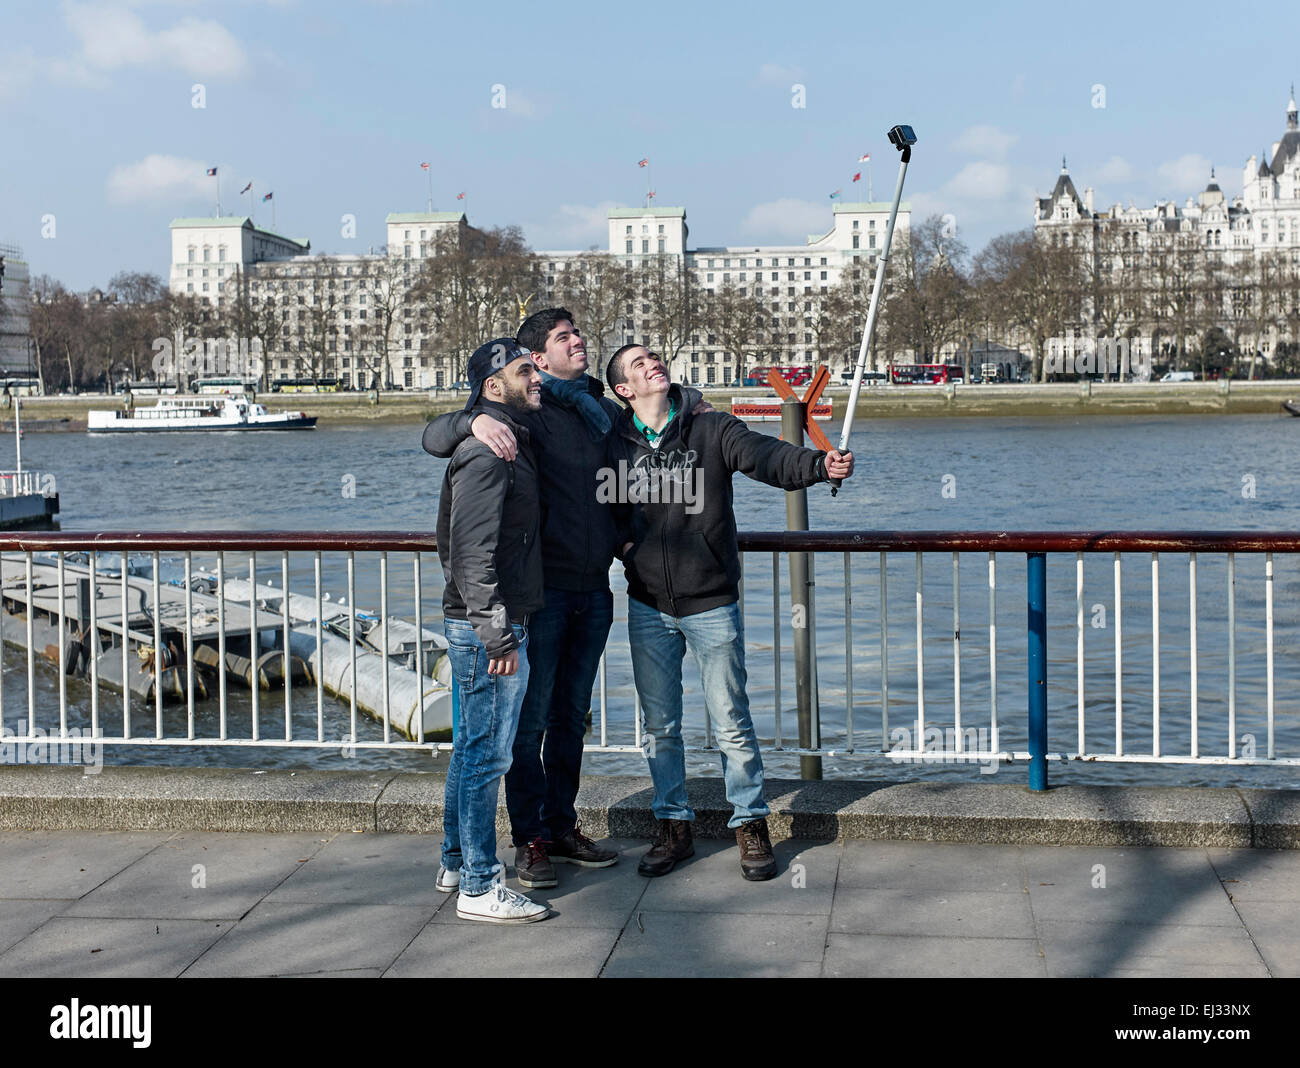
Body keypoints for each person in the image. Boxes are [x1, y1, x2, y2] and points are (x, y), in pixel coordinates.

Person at [604, 344, 854, 881]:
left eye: (653, 357)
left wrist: (817, 465)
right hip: (647, 604)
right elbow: (602, 515)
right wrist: (628, 552)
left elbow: (767, 457)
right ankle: (673, 826)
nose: (652, 364)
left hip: (711, 601)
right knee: (659, 726)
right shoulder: (613, 445)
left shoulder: (711, 428)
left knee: (731, 722)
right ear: (624, 390)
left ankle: (750, 825)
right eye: (638, 365)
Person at [423, 309, 624, 888]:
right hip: (537, 597)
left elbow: (646, 441)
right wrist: (467, 424)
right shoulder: (513, 422)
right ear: (535, 358)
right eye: (564, 338)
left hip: (593, 585)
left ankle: (557, 827)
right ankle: (522, 841)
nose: (578, 340)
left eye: (578, 333)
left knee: (568, 719)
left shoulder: (596, 413)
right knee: (517, 730)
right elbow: (437, 437)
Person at [429, 336, 551, 924]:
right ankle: (479, 885)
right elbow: (472, 553)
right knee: (487, 757)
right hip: (488, 628)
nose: (538, 377)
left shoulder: (509, 439)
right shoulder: (487, 453)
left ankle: (456, 862)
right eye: (526, 370)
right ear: (493, 386)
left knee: (470, 751)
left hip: (483, 622)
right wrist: (497, 634)